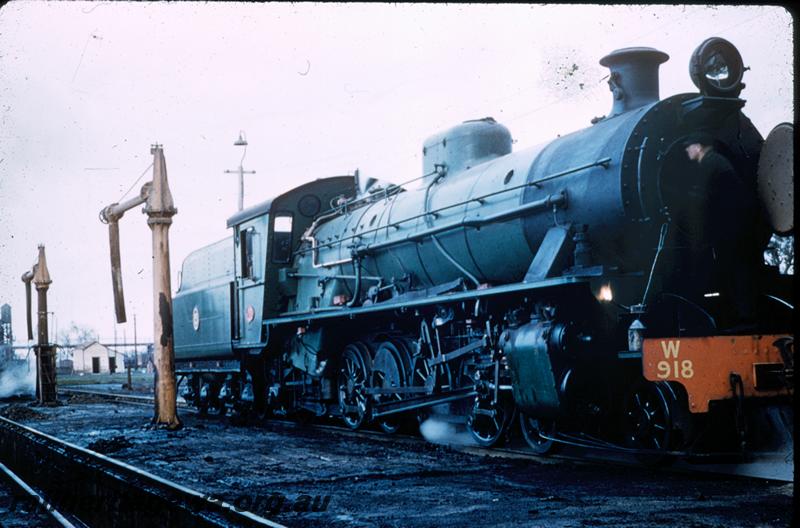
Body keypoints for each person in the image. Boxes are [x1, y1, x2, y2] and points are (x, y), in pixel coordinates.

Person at [683, 132, 758, 329]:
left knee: (733, 268)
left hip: (731, 225)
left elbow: (700, 196)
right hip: (736, 223)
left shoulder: (710, 162)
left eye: (688, 147)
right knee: (735, 268)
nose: (686, 151)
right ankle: (741, 314)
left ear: (698, 146)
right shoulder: (717, 161)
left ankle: (742, 316)